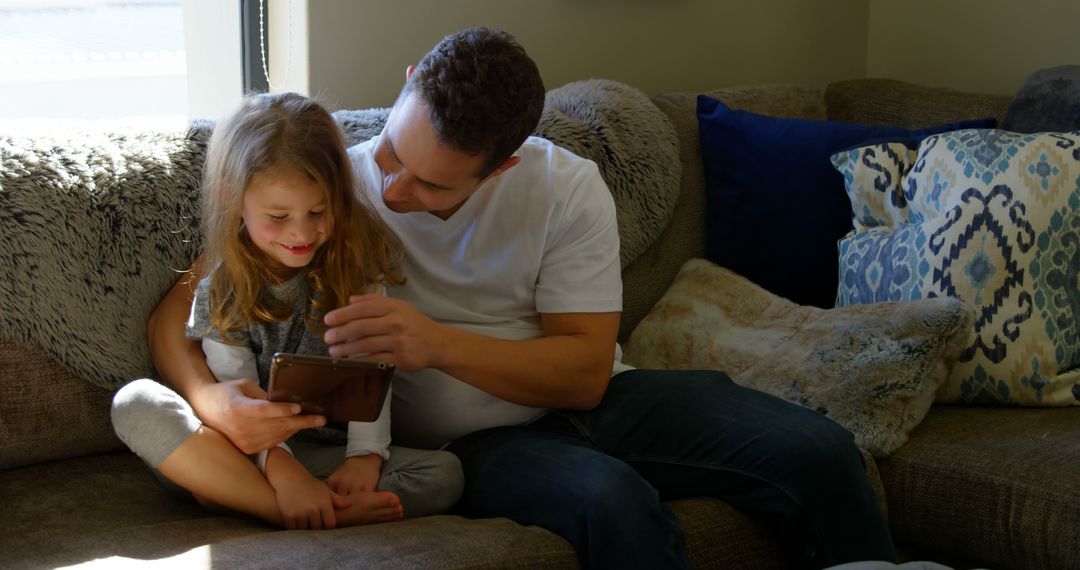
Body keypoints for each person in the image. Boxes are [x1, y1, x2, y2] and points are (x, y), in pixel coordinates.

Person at [128, 28, 896, 569]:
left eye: (430, 183)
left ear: (502, 167)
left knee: (821, 451)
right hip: (475, 446)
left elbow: (585, 376)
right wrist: (213, 399)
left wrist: (436, 345)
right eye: (394, 150)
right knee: (610, 501)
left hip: (598, 398)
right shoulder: (331, 188)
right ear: (405, 89)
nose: (392, 187)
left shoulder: (564, 188)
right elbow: (187, 303)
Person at [111, 92, 463, 530]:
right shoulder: (224, 285)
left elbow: (370, 373)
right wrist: (283, 472)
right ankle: (282, 508)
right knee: (137, 404)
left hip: (321, 452)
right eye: (278, 216)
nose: (301, 232)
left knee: (444, 475)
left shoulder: (354, 269)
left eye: (318, 211)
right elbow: (238, 395)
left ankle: (257, 501)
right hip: (240, 449)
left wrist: (365, 457)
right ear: (234, 199)